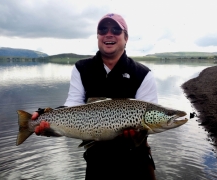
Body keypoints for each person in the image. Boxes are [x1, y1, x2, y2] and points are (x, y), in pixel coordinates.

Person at [32, 13, 158, 180]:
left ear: (126, 38)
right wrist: (45, 117)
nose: (109, 33)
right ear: (98, 36)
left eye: (116, 30)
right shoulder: (81, 68)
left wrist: (136, 132)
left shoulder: (143, 74)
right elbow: (72, 108)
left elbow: (148, 125)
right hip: (96, 162)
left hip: (135, 161)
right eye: (103, 29)